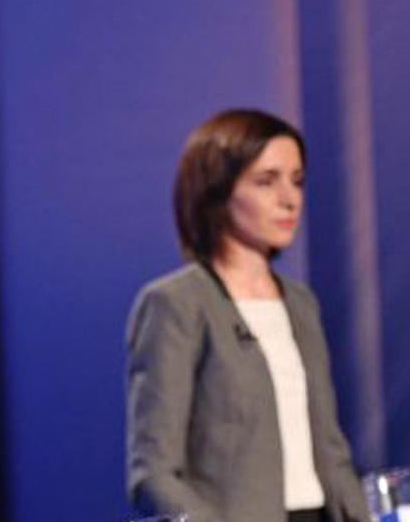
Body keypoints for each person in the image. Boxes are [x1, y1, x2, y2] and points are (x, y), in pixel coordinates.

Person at [125, 109, 369, 522]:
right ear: (217, 191)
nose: (289, 199)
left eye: (297, 180)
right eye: (266, 181)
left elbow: (331, 450)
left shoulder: (300, 302)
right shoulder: (176, 303)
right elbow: (153, 475)